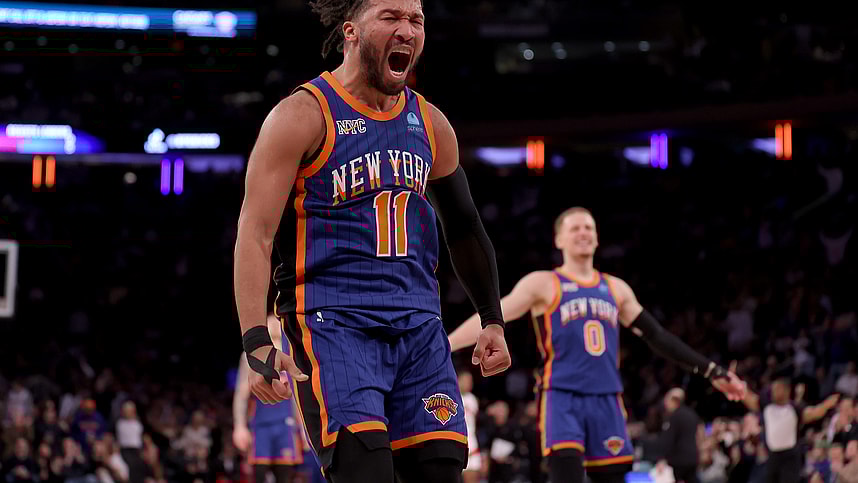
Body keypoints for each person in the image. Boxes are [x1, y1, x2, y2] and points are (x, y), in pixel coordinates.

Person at [232, 0, 512, 481]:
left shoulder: (430, 123)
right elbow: (254, 234)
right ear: (352, 32)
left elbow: (464, 225)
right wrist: (256, 339)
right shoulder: (302, 114)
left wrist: (492, 318)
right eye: (391, 17)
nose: (407, 29)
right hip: (334, 323)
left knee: (442, 469)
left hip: (420, 325)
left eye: (417, 20)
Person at [448, 206, 747, 483]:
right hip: (562, 397)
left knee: (614, 477)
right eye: (575, 228)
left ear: (597, 238)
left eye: (589, 228)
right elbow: (493, 315)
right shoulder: (543, 283)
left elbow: (658, 336)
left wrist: (712, 371)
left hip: (607, 398)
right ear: (559, 239)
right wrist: (446, 344)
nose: (583, 233)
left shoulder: (616, 288)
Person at [233, 315, 306, 483]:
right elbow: (241, 394)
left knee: (285, 474)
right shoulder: (250, 355)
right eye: (270, 320)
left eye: (276, 321)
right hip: (261, 423)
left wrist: (302, 427)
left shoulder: (291, 353)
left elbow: (297, 395)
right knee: (259, 473)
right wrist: (239, 426)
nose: (274, 323)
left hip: (285, 423)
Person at [742, 378, 840, 483]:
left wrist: (826, 404)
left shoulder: (795, 408)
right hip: (772, 455)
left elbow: (813, 413)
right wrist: (736, 384)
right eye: (774, 389)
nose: (774, 392)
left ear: (787, 391)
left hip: (790, 457)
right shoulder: (766, 405)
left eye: (778, 389)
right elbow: (749, 399)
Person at [659, 388, 701, 483]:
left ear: (674, 400)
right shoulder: (692, 414)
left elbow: (669, 439)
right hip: (693, 457)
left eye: (667, 401)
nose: (665, 405)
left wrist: (662, 458)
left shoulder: (674, 416)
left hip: (678, 459)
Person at [458, 369, 482, 483]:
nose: (469, 383)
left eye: (470, 380)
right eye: (466, 380)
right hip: (456, 441)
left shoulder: (472, 399)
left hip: (471, 443)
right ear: (457, 380)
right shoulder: (452, 396)